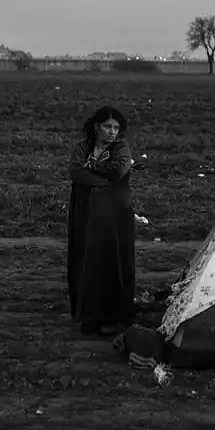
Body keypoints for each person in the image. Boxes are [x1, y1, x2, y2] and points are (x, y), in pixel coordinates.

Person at [66, 106, 136, 336]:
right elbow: (76, 171)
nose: (112, 132)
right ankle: (90, 315)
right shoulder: (82, 148)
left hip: (115, 215)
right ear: (97, 127)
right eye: (107, 126)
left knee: (113, 258)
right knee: (88, 260)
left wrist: (95, 166)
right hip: (86, 213)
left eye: (116, 128)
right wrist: (103, 181)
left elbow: (120, 170)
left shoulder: (121, 148)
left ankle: (116, 316)